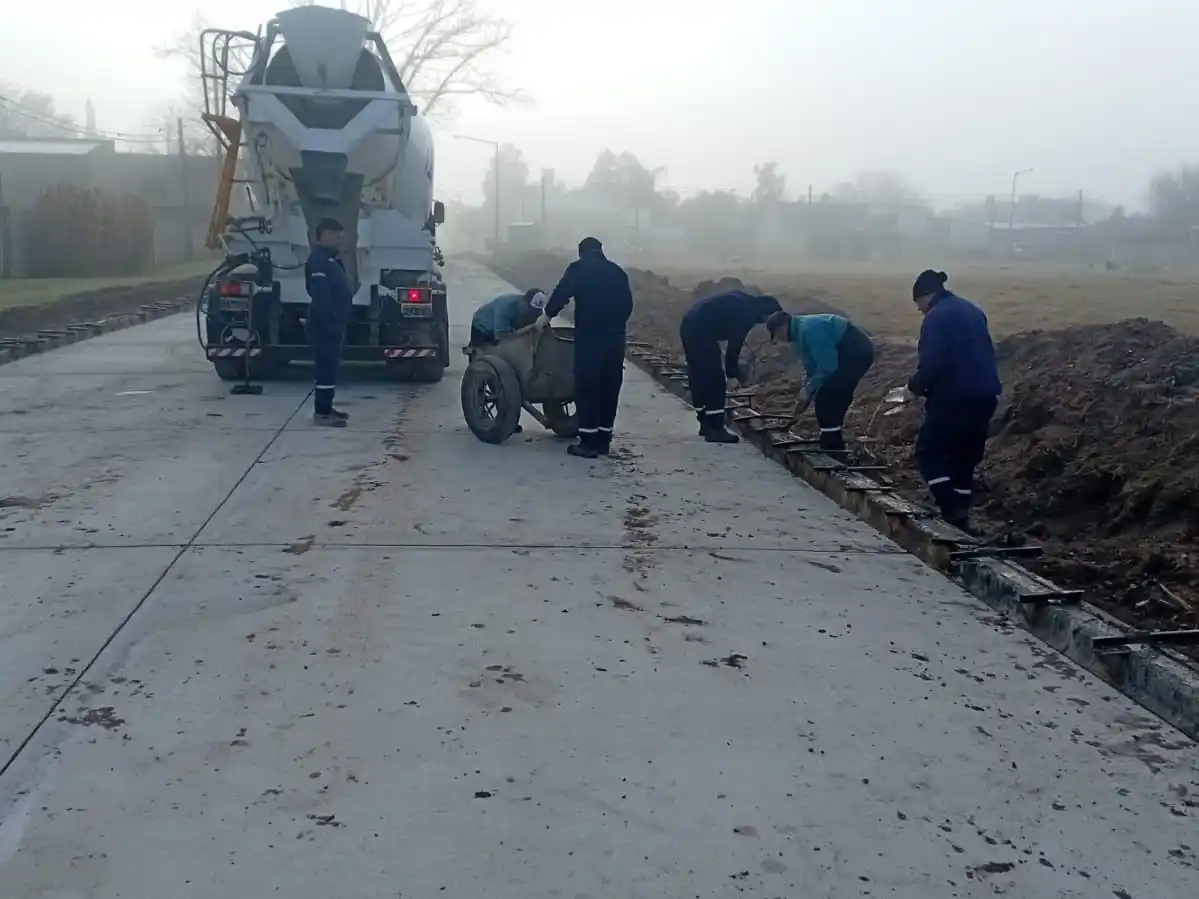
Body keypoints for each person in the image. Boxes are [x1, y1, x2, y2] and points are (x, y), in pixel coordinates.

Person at [906, 269, 1002, 531]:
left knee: (928, 452)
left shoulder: (937, 317)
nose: (919, 310)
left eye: (918, 304)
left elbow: (933, 361)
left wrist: (914, 387)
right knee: (964, 457)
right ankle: (961, 515)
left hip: (954, 396)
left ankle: (950, 508)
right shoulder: (972, 310)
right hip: (985, 395)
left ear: (926, 296)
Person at [538, 237, 633, 458]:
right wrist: (615, 324)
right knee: (609, 386)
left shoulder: (579, 269)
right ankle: (603, 441)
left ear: (581, 253)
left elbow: (563, 292)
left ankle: (588, 443)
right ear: (601, 251)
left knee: (588, 386)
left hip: (590, 337)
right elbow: (628, 305)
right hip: (615, 339)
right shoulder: (618, 272)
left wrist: (547, 315)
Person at [765, 310, 875, 454]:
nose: (780, 340)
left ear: (783, 326)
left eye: (778, 335)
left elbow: (828, 366)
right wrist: (806, 391)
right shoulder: (800, 334)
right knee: (830, 394)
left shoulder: (810, 330)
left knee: (826, 397)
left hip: (856, 352)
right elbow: (812, 368)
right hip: (842, 353)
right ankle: (833, 439)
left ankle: (833, 447)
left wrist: (810, 388)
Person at [679, 290, 782, 443]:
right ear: (766, 314)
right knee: (716, 380)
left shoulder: (743, 301)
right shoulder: (746, 313)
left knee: (698, 375)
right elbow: (734, 346)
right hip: (701, 331)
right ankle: (715, 429)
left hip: (688, 325)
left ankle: (705, 423)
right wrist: (732, 375)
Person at [305, 217, 354, 428]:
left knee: (330, 368)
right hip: (325, 326)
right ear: (322, 236)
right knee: (325, 368)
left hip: (332, 325)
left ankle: (327, 408)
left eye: (340, 236)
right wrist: (332, 322)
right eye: (334, 236)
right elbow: (320, 295)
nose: (338, 240)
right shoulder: (319, 261)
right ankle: (322, 414)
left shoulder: (330, 259)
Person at [469, 289, 547, 348]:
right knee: (480, 357)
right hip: (483, 327)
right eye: (530, 309)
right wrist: (528, 328)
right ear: (523, 301)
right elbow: (503, 339)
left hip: (507, 329)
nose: (531, 313)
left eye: (535, 311)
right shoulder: (505, 308)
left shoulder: (536, 312)